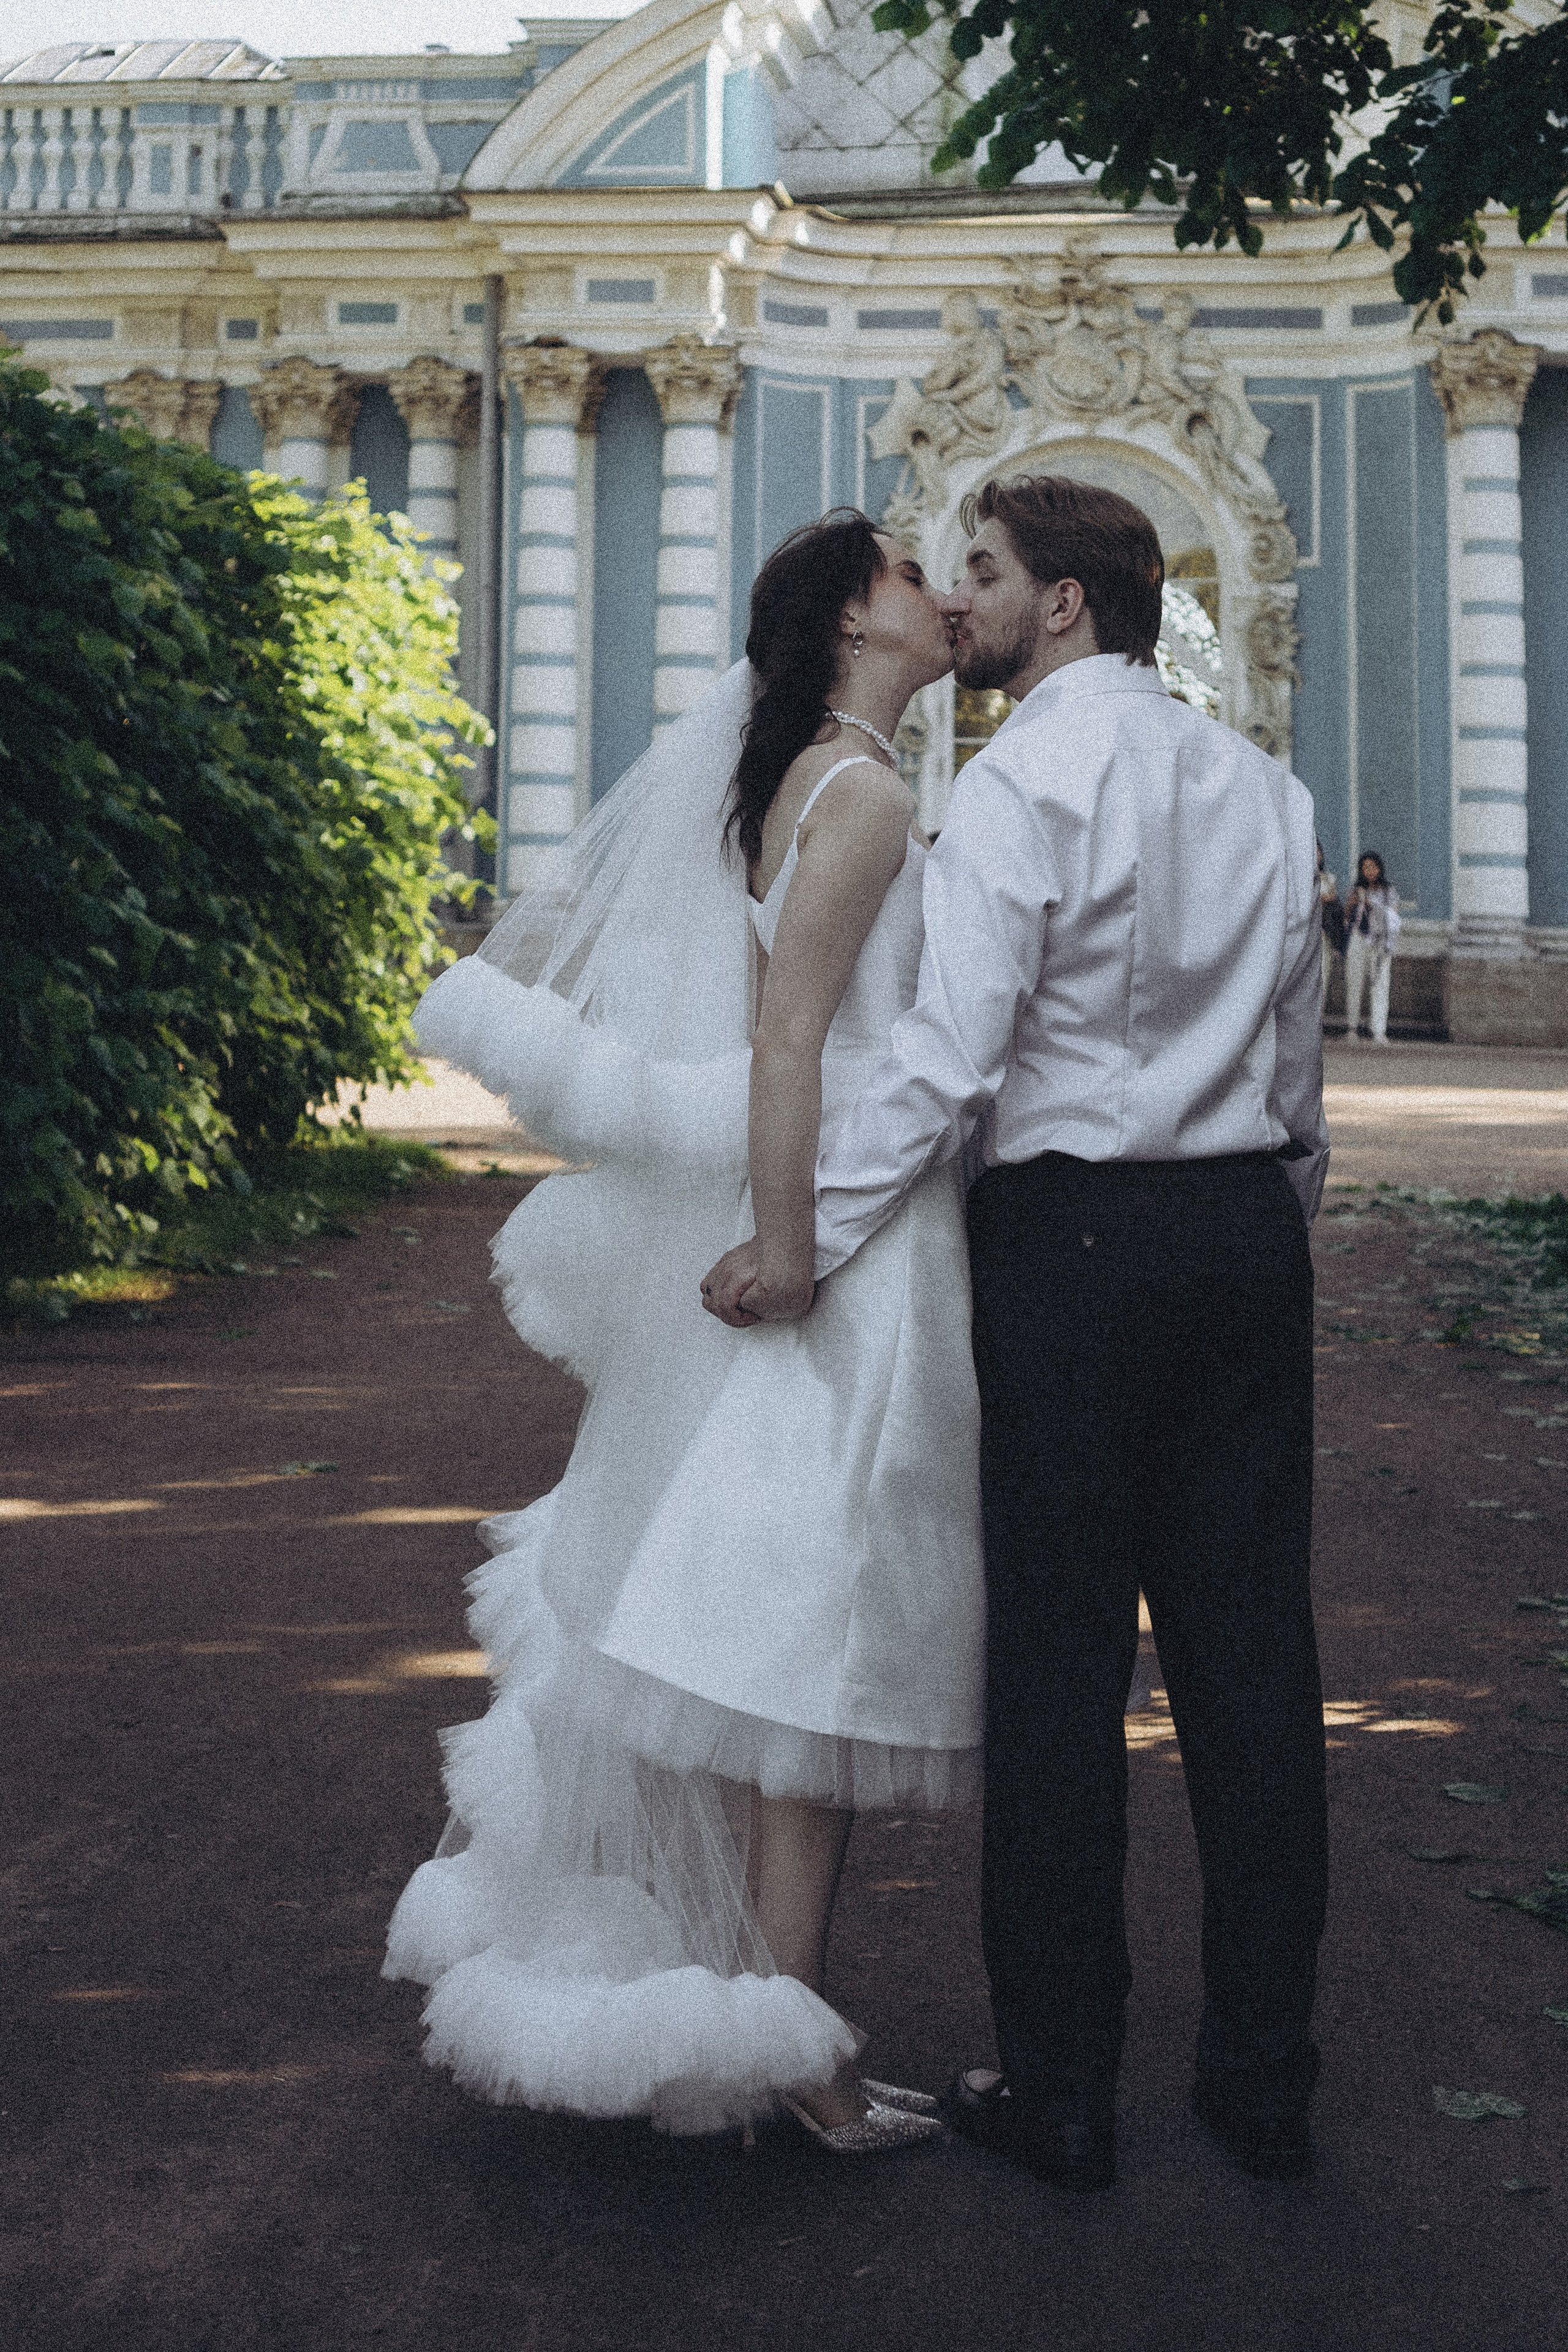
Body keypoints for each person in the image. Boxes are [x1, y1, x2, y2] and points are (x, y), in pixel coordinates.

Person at [706, 474, 1331, 2192]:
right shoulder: (1267, 790)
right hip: (1238, 1241)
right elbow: (1296, 1076)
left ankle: (1061, 2093)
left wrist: (801, 1243)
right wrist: (1273, 1208)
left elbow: (945, 1064)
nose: (960, 603)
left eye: (980, 574)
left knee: (1059, 1676)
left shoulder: (1010, 786)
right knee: (1256, 1670)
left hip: (1066, 1247)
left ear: (1066, 606)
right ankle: (1264, 2082)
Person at [382, 511, 984, 2150]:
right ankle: (804, 2058)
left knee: (765, 1643)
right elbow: (790, 1044)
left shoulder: (790, 782)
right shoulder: (861, 794)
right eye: (917, 574)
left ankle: (777, 2016)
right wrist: (791, 1245)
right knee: (815, 1650)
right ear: (858, 618)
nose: (945, 597)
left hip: (822, 1220)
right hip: (846, 1245)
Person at [1343, 850, 1400, 1042]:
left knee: (1380, 984)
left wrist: (1371, 905)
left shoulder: (1388, 890)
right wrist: (1352, 903)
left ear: (1380, 868)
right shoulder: (1355, 888)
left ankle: (1379, 1030)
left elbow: (1393, 916)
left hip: (1380, 942)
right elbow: (1346, 917)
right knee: (1354, 981)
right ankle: (1352, 1027)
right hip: (1358, 938)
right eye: (1365, 867)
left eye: (1373, 867)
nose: (1370, 871)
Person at [1316, 838, 1344, 1012]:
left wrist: (1330, 899)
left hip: (1324, 932)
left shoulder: (1329, 879)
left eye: (1318, 851)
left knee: (1323, 974)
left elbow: (1335, 905)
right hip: (1306, 933)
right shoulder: (1299, 877)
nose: (1316, 855)